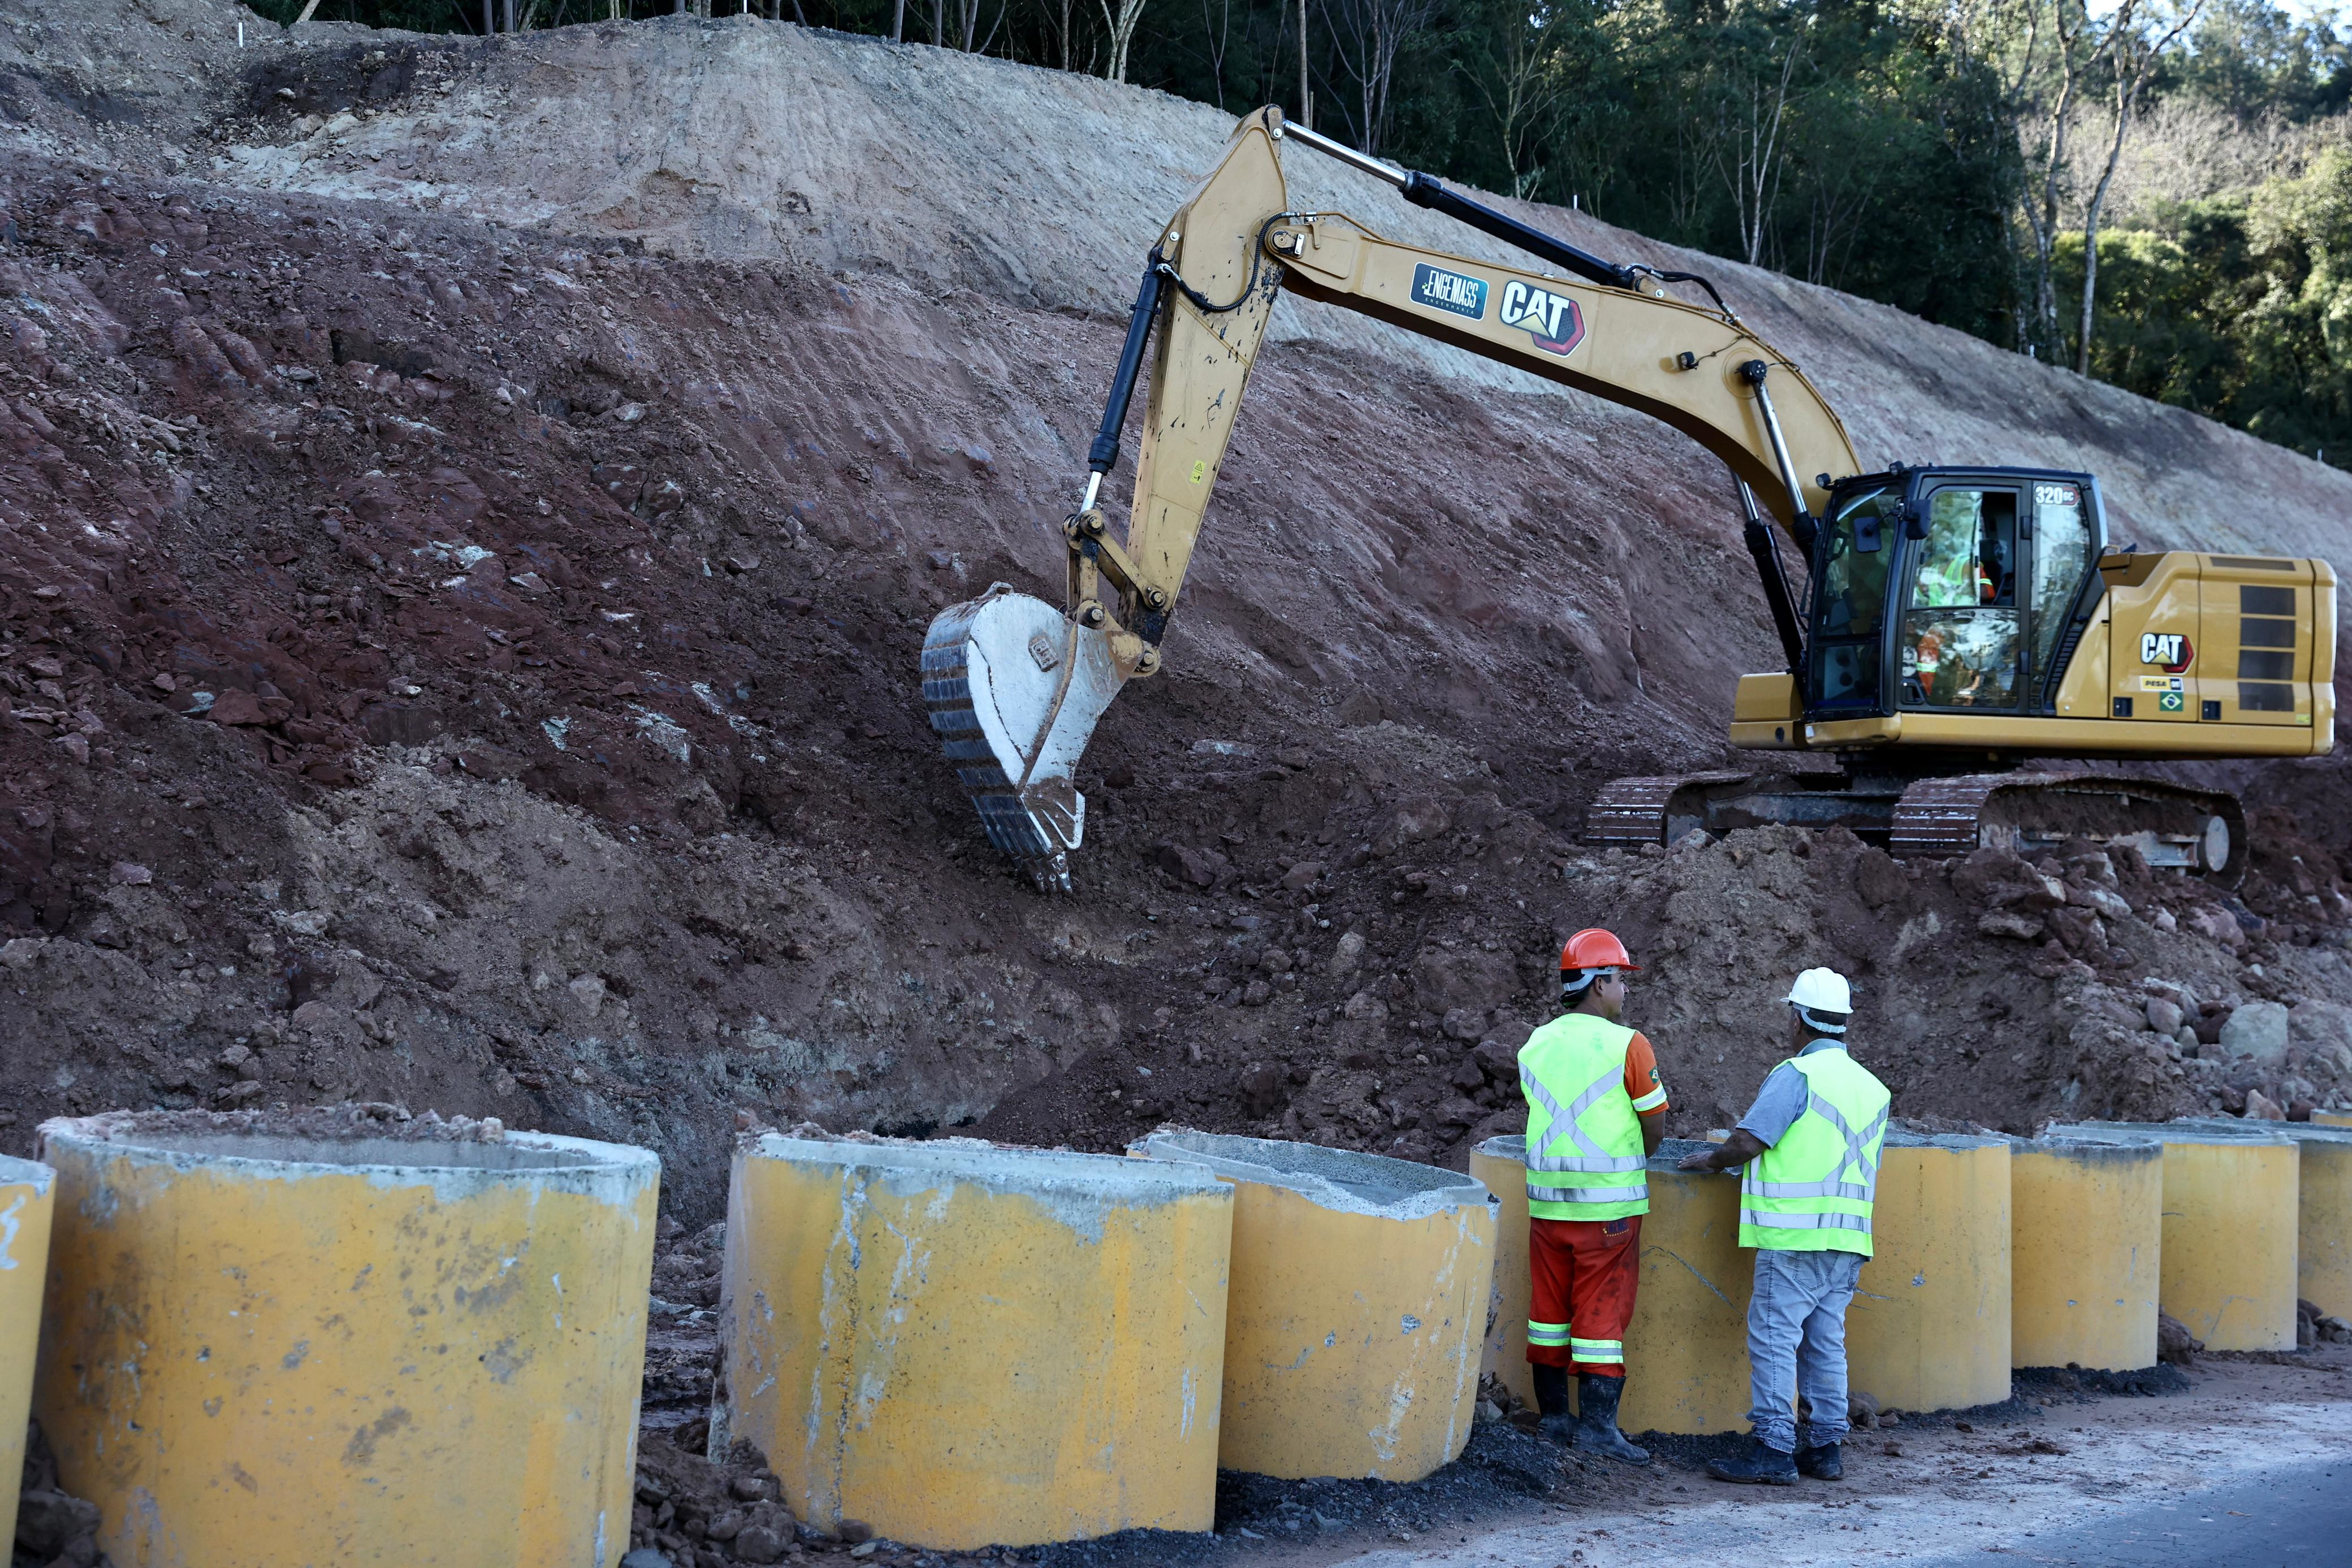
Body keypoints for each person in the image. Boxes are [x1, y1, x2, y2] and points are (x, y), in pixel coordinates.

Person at [1678, 967, 1890, 1486]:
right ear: (1842, 1022)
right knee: (1826, 1342)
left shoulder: (1797, 1075)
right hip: (1847, 1239)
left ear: (1798, 1019)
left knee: (1774, 1340)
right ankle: (1826, 1449)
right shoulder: (1873, 1088)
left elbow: (1749, 1142)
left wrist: (1709, 1161)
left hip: (1795, 1238)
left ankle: (1773, 1449)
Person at [1516, 928, 1671, 1463]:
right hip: (1608, 1209)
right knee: (1602, 1318)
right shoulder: (1628, 1044)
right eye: (1620, 981)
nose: (1625, 993)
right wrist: (1639, 1157)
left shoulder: (1535, 1043)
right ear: (1599, 983)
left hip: (1547, 1206)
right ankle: (1600, 1429)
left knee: (1549, 1314)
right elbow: (1655, 1121)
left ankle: (1556, 1421)